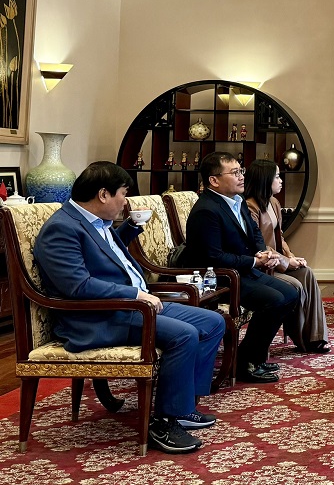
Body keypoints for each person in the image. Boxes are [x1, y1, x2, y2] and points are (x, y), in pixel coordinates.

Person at [33, 162, 226, 454]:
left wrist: (129, 230)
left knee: (213, 323)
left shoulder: (94, 220)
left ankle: (183, 405)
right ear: (103, 195)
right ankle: (164, 422)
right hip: (100, 316)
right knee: (184, 335)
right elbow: (77, 286)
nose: (125, 202)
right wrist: (135, 293)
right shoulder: (62, 229)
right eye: (123, 194)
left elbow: (104, 257)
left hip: (132, 306)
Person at [183, 152, 299, 383]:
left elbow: (255, 233)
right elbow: (214, 257)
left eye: (241, 171)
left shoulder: (237, 201)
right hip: (219, 277)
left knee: (290, 293)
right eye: (235, 173)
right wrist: (255, 262)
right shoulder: (207, 210)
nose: (241, 177)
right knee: (274, 300)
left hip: (242, 270)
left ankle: (251, 356)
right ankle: (246, 362)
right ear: (214, 180)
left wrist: (262, 253)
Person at [244, 159, 330, 353]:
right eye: (276, 176)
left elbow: (279, 237)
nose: (281, 180)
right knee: (295, 285)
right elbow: (258, 245)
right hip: (263, 266)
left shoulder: (273, 202)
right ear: (264, 180)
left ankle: (316, 336)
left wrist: (292, 256)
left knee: (307, 273)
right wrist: (286, 262)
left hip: (279, 261)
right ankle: (300, 338)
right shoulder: (249, 207)